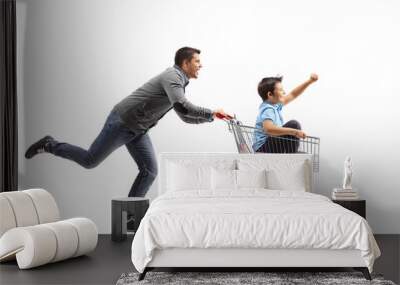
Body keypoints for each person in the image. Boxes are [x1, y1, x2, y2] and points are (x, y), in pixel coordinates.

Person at [25, 47, 231, 197]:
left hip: (138, 129)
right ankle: (49, 144)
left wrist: (212, 117)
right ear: (185, 63)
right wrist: (212, 112)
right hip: (123, 122)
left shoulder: (178, 82)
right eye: (197, 61)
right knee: (90, 160)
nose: (200, 65)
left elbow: (184, 116)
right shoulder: (172, 77)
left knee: (150, 171)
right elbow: (185, 107)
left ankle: (131, 216)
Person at [253, 73, 318, 153]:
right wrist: (295, 132)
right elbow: (269, 129)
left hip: (268, 145)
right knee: (294, 125)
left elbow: (293, 94)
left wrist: (309, 81)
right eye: (281, 90)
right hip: (263, 148)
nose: (284, 92)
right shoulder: (268, 109)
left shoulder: (275, 106)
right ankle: (292, 157)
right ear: (270, 94)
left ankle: (291, 155)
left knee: (291, 127)